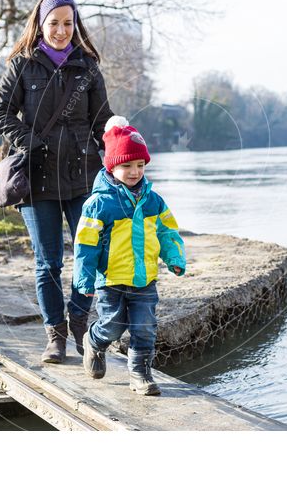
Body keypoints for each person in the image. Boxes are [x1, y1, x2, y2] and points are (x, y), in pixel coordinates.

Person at [0, 0, 114, 364]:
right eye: (54, 22)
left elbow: (101, 119)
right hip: (38, 178)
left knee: (91, 253)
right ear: (41, 25)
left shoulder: (88, 67)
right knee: (48, 263)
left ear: (75, 25)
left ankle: (79, 318)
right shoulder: (22, 66)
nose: (61, 30)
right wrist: (28, 140)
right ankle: (55, 337)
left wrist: (120, 146)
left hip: (83, 177)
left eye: (67, 23)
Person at [72, 116, 186, 395]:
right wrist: (84, 280)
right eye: (127, 166)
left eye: (140, 165)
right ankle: (94, 341)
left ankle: (140, 375)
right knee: (112, 325)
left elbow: (168, 232)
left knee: (145, 328)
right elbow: (85, 245)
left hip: (145, 278)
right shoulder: (99, 204)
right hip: (111, 280)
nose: (135, 171)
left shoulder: (153, 200)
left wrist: (174, 258)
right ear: (111, 166)